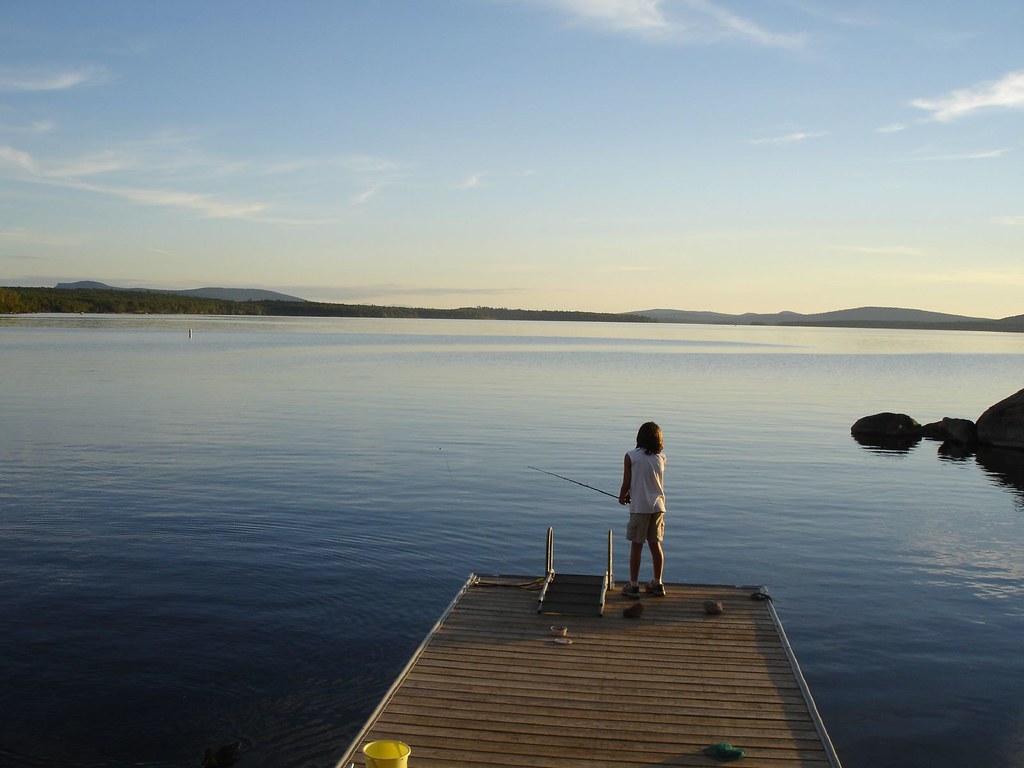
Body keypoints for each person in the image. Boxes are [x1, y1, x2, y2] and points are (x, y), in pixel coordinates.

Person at [618, 421, 667, 598]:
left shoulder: (631, 456)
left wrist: (622, 496)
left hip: (639, 508)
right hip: (658, 507)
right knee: (656, 545)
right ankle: (658, 582)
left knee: (636, 546)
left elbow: (626, 483)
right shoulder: (661, 459)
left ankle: (633, 585)